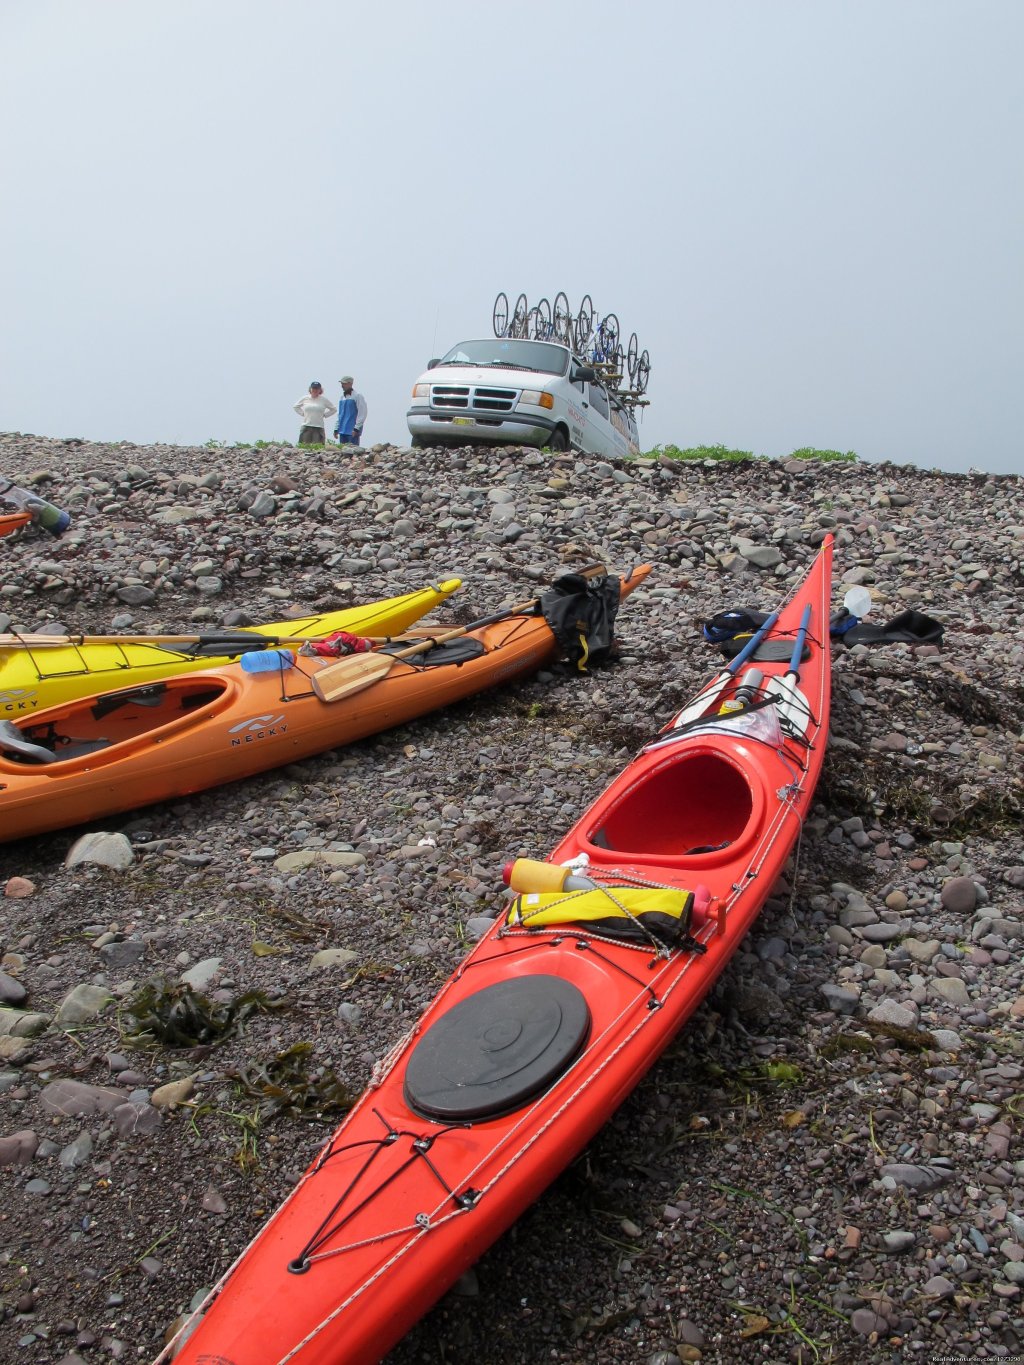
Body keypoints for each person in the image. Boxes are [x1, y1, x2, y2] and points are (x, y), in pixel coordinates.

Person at [293, 381, 336, 446]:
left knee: (317, 448)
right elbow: (296, 406)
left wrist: (325, 415)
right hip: (306, 426)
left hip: (318, 427)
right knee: (304, 447)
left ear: (320, 390)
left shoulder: (323, 400)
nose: (315, 390)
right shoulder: (305, 398)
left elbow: (333, 409)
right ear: (310, 389)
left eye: (317, 388)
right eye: (313, 388)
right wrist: (303, 413)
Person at [338, 376, 367, 446]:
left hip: (352, 430)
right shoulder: (342, 397)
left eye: (344, 383)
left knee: (353, 452)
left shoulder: (357, 396)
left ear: (350, 384)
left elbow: (362, 413)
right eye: (342, 383)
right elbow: (340, 414)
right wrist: (337, 428)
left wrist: (357, 428)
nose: (342, 385)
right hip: (342, 430)